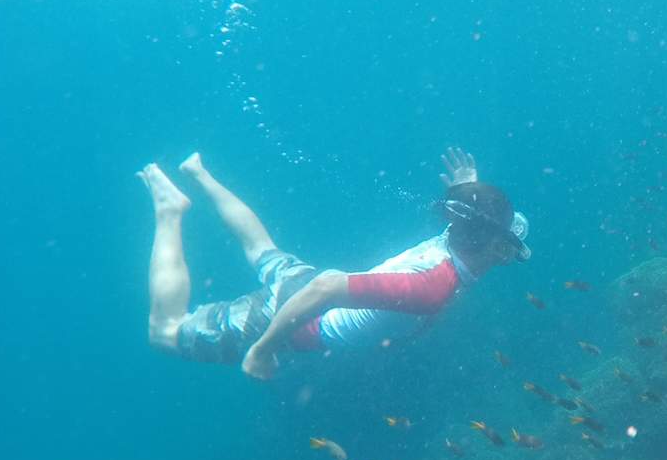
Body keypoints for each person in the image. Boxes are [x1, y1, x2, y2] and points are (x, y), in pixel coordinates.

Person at [136, 147, 529, 380]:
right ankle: (170, 209)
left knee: (260, 248)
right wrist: (262, 350)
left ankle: (198, 173)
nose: (512, 253)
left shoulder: (454, 232)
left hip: (305, 286)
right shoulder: (431, 288)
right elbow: (327, 289)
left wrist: (466, 187)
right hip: (298, 315)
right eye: (509, 248)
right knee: (164, 333)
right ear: (494, 247)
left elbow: (476, 217)